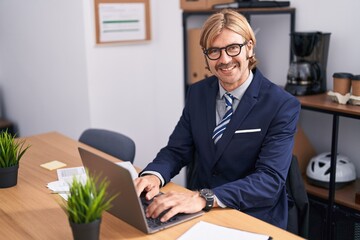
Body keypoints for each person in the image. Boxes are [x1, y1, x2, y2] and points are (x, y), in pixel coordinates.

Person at [134, 8, 300, 229]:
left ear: (249, 47)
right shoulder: (198, 93)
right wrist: (154, 176)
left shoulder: (281, 105)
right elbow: (177, 150)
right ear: (206, 56)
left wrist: (204, 197)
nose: (224, 59)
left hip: (252, 215)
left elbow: (269, 180)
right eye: (214, 51)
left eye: (233, 48)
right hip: (198, 212)